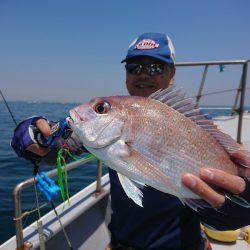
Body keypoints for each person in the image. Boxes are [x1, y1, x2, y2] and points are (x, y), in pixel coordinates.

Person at [11, 32, 250, 250]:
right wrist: (36, 137)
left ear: (172, 73)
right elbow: (58, 149)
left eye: (155, 67)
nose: (144, 74)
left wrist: (236, 207)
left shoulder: (199, 127)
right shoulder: (109, 123)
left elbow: (229, 185)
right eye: (134, 67)